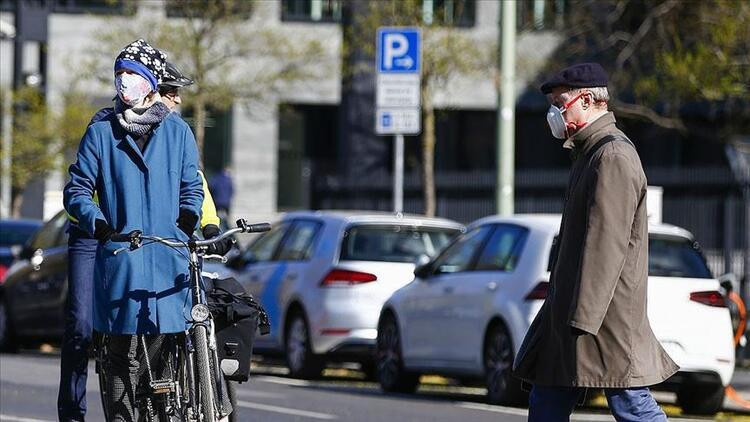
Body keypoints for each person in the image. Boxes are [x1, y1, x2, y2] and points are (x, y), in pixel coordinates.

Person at [57, 59, 230, 421]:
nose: (176, 100)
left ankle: (160, 409)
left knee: (163, 341)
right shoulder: (102, 130)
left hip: (164, 250)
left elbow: (194, 185)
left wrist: (202, 224)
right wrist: (98, 223)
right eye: (171, 92)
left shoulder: (178, 132)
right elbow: (78, 191)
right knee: (83, 328)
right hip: (112, 243)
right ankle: (75, 413)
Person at [512, 63, 679, 421]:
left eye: (561, 104)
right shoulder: (590, 152)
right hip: (575, 313)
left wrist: (581, 318)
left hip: (599, 316)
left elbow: (606, 244)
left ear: (587, 100)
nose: (554, 114)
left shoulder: (612, 156)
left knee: (630, 401)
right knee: (548, 395)